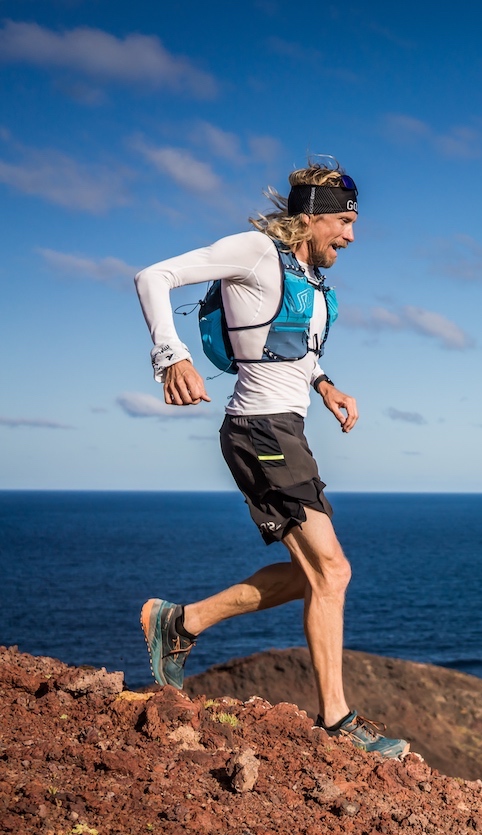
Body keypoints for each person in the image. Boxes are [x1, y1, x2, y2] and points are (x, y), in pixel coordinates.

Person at [133, 160, 408, 760]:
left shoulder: (306, 275)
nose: (351, 236)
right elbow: (153, 276)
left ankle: (181, 623)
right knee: (332, 572)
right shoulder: (255, 251)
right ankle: (336, 722)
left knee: (313, 575)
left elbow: (292, 348)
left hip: (286, 430)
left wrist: (326, 384)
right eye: (343, 222)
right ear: (308, 217)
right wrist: (170, 355)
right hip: (260, 431)